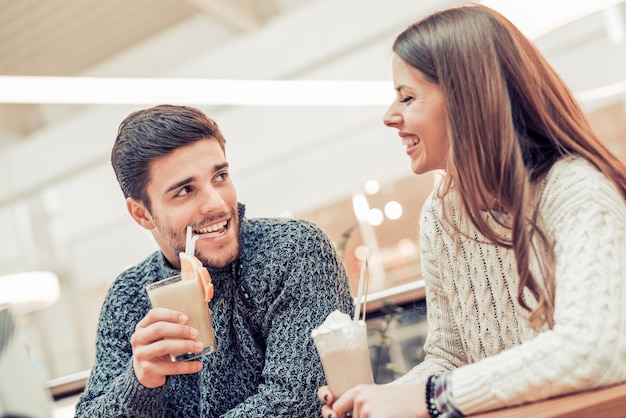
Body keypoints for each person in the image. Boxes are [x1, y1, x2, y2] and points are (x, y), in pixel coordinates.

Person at [318, 3, 626, 417]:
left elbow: (595, 349)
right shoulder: (440, 216)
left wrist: (432, 399)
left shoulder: (575, 189)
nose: (390, 116)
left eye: (407, 97)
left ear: (468, 99)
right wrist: (373, 400)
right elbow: (450, 358)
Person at [75, 104, 354, 417]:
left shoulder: (292, 251)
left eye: (220, 176)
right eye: (185, 190)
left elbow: (296, 401)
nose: (217, 203)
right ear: (142, 214)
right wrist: (139, 384)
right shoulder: (127, 296)